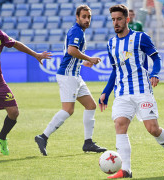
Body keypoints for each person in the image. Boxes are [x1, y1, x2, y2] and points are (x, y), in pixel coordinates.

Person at [99, 4, 164, 179]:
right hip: (122, 92)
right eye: (113, 19)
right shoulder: (111, 43)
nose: (116, 23)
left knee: (152, 129)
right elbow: (115, 70)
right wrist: (106, 92)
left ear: (127, 19)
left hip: (142, 89)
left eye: (119, 19)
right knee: (120, 125)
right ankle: (126, 171)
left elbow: (156, 58)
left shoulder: (141, 37)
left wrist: (155, 73)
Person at [35, 5, 106, 156]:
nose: (87, 19)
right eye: (84, 17)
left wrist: (83, 62)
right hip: (68, 76)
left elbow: (72, 54)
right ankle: (43, 136)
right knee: (68, 110)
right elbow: (71, 50)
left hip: (75, 75)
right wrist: (89, 58)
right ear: (77, 17)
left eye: (89, 17)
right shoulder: (76, 31)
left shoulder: (79, 31)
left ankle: (88, 142)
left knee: (91, 106)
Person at [0, 12, 52, 158]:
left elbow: (16, 44)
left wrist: (36, 54)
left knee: (14, 112)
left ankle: (1, 137)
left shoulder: (0, 36)